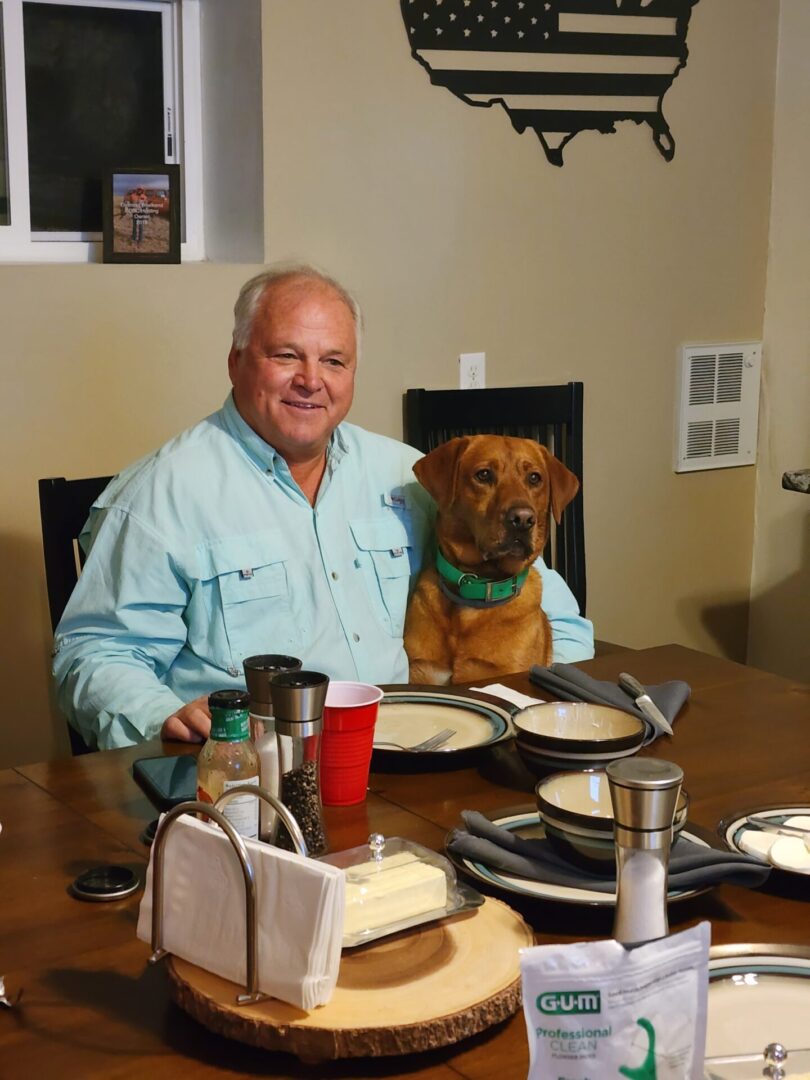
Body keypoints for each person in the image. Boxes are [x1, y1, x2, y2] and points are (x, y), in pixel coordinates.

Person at [53, 265, 594, 749]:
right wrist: (162, 716)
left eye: (333, 360)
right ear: (236, 361)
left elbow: (557, 616)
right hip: (261, 771)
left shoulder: (406, 476)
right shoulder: (160, 494)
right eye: (286, 355)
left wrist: (553, 721)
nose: (311, 380)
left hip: (415, 751)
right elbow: (95, 654)